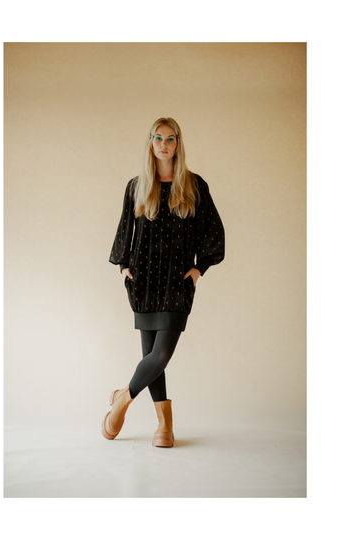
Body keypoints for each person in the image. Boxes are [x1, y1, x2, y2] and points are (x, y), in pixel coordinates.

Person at [101, 117, 225, 447]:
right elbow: (125, 229)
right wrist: (124, 267)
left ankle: (122, 400)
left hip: (176, 283)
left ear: (178, 144)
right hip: (144, 281)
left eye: (171, 138)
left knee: (160, 356)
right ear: (151, 143)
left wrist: (199, 269)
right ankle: (164, 426)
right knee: (150, 355)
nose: (164, 144)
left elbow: (213, 230)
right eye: (158, 138)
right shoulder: (137, 187)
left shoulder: (194, 186)